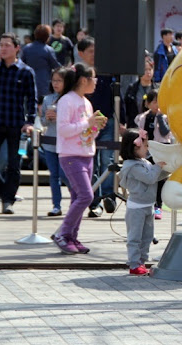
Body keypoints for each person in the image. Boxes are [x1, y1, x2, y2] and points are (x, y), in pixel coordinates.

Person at [0, 32, 36, 215]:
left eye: (7, 45)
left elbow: (32, 99)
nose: (2, 48)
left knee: (14, 163)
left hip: (17, 125)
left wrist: (30, 122)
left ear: (17, 48)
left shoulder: (26, 71)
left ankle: (8, 200)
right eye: (0, 45)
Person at [52, 62, 107, 254]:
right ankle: (63, 233)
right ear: (84, 80)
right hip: (70, 155)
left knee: (78, 196)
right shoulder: (67, 100)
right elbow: (64, 130)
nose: (96, 83)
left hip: (86, 154)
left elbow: (87, 134)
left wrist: (95, 127)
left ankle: (72, 237)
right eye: (94, 79)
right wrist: (88, 123)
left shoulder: (86, 102)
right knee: (86, 195)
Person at [77, 37, 118, 218]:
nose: (94, 55)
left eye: (96, 51)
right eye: (90, 51)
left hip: (107, 122)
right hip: (87, 124)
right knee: (91, 164)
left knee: (108, 161)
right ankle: (94, 202)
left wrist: (120, 120)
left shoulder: (108, 72)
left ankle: (109, 196)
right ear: (81, 54)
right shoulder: (76, 74)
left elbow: (117, 98)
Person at [118, 128, 169, 275]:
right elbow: (150, 178)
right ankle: (134, 264)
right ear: (135, 147)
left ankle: (141, 262)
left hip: (148, 205)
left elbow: (153, 177)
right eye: (145, 146)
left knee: (146, 237)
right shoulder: (133, 166)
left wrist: (167, 170)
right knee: (135, 237)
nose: (147, 149)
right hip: (137, 208)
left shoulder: (143, 162)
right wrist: (158, 167)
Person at [134, 90, 171, 220]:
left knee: (161, 178)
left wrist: (160, 117)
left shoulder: (166, 116)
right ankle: (149, 203)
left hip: (162, 149)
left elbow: (165, 132)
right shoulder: (143, 117)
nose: (157, 104)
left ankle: (158, 206)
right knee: (149, 177)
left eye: (159, 101)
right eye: (154, 101)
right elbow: (141, 133)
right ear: (148, 103)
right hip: (148, 150)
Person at [41, 67, 71, 217]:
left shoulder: (70, 99)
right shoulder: (48, 99)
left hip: (66, 143)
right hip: (50, 142)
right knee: (53, 174)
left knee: (65, 173)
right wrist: (47, 117)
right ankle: (56, 205)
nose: (56, 84)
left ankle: (75, 198)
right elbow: (43, 123)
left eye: (59, 80)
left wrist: (59, 117)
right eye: (54, 80)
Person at [21, 24, 61, 99]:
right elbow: (56, 66)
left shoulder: (26, 48)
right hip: (44, 83)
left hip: (28, 82)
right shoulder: (48, 50)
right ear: (47, 37)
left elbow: (21, 64)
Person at [124, 59, 158, 128]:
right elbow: (127, 108)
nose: (148, 72)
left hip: (153, 125)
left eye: (150, 69)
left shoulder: (157, 89)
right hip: (135, 125)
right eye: (145, 70)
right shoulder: (132, 89)